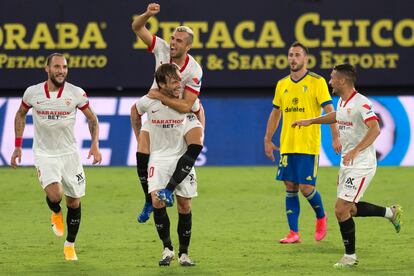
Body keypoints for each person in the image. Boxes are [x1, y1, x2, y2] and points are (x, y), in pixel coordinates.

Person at [292, 63, 403, 268]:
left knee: (340, 209)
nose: (330, 80)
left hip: (361, 163)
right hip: (348, 163)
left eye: (333, 77)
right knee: (350, 209)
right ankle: (391, 213)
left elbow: (375, 128)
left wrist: (356, 150)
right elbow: (337, 116)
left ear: (342, 80)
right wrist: (311, 121)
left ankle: (350, 257)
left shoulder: (361, 103)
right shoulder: (343, 102)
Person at [10, 53, 102, 261]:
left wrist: (95, 145)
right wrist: (18, 146)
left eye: (65, 67)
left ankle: (70, 245)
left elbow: (92, 119)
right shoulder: (32, 93)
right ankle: (55, 211)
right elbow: (20, 115)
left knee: (74, 202)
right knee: (55, 195)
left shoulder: (76, 93)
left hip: (70, 154)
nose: (62, 71)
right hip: (45, 153)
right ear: (47, 69)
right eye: (58, 67)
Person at [132, 3, 205, 223]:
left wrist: (160, 95)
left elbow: (186, 106)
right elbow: (137, 27)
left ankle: (171, 189)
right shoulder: (161, 48)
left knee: (191, 145)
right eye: (172, 38)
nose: (173, 43)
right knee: (142, 152)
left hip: (181, 113)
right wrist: (147, 15)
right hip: (157, 111)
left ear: (188, 46)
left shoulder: (194, 70)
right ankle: (148, 199)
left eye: (179, 41)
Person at [264, 41, 341, 243]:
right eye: (290, 55)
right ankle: (293, 233)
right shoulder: (282, 84)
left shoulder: (317, 81)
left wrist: (335, 137)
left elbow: (329, 112)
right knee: (289, 186)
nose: (293, 58)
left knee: (306, 188)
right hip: (287, 144)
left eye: (297, 55)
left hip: (308, 144)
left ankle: (321, 217)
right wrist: (267, 139)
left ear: (305, 58)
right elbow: (275, 114)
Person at [131, 63, 204, 266]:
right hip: (159, 158)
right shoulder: (149, 101)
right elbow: (134, 111)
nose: (179, 84)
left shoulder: (186, 100)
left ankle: (184, 253)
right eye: (174, 81)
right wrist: (139, 137)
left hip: (180, 155)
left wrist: (200, 127)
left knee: (184, 205)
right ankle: (167, 249)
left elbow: (199, 110)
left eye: (180, 79)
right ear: (161, 84)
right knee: (157, 202)